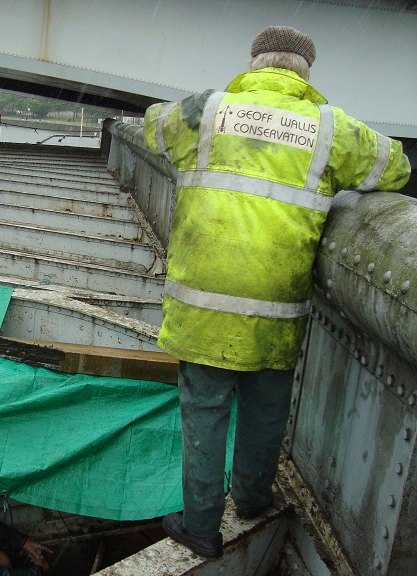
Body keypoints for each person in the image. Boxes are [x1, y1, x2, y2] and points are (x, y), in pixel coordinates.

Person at [143, 26, 411, 558]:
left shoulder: (208, 110)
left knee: (204, 412)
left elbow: (153, 127)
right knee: (266, 411)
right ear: (305, 74)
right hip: (276, 308)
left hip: (202, 305)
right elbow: (397, 168)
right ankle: (250, 499)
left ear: (254, 63)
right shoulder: (331, 128)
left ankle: (200, 526)